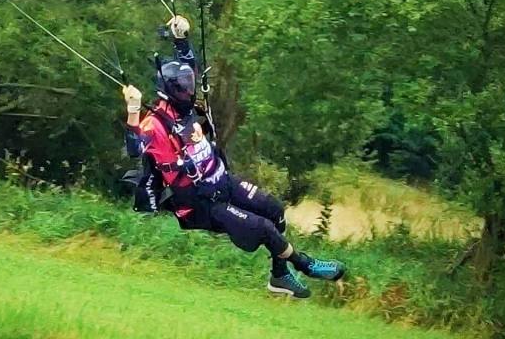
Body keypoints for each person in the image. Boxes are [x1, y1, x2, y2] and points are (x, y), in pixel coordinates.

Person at [122, 15, 345, 298]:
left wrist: (181, 37)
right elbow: (134, 149)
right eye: (183, 87)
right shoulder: (155, 124)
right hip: (203, 204)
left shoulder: (186, 107)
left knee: (274, 210)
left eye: (190, 84)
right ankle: (306, 265)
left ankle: (279, 276)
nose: (190, 90)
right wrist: (133, 109)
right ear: (169, 91)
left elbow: (188, 62)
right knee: (263, 229)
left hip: (223, 181)